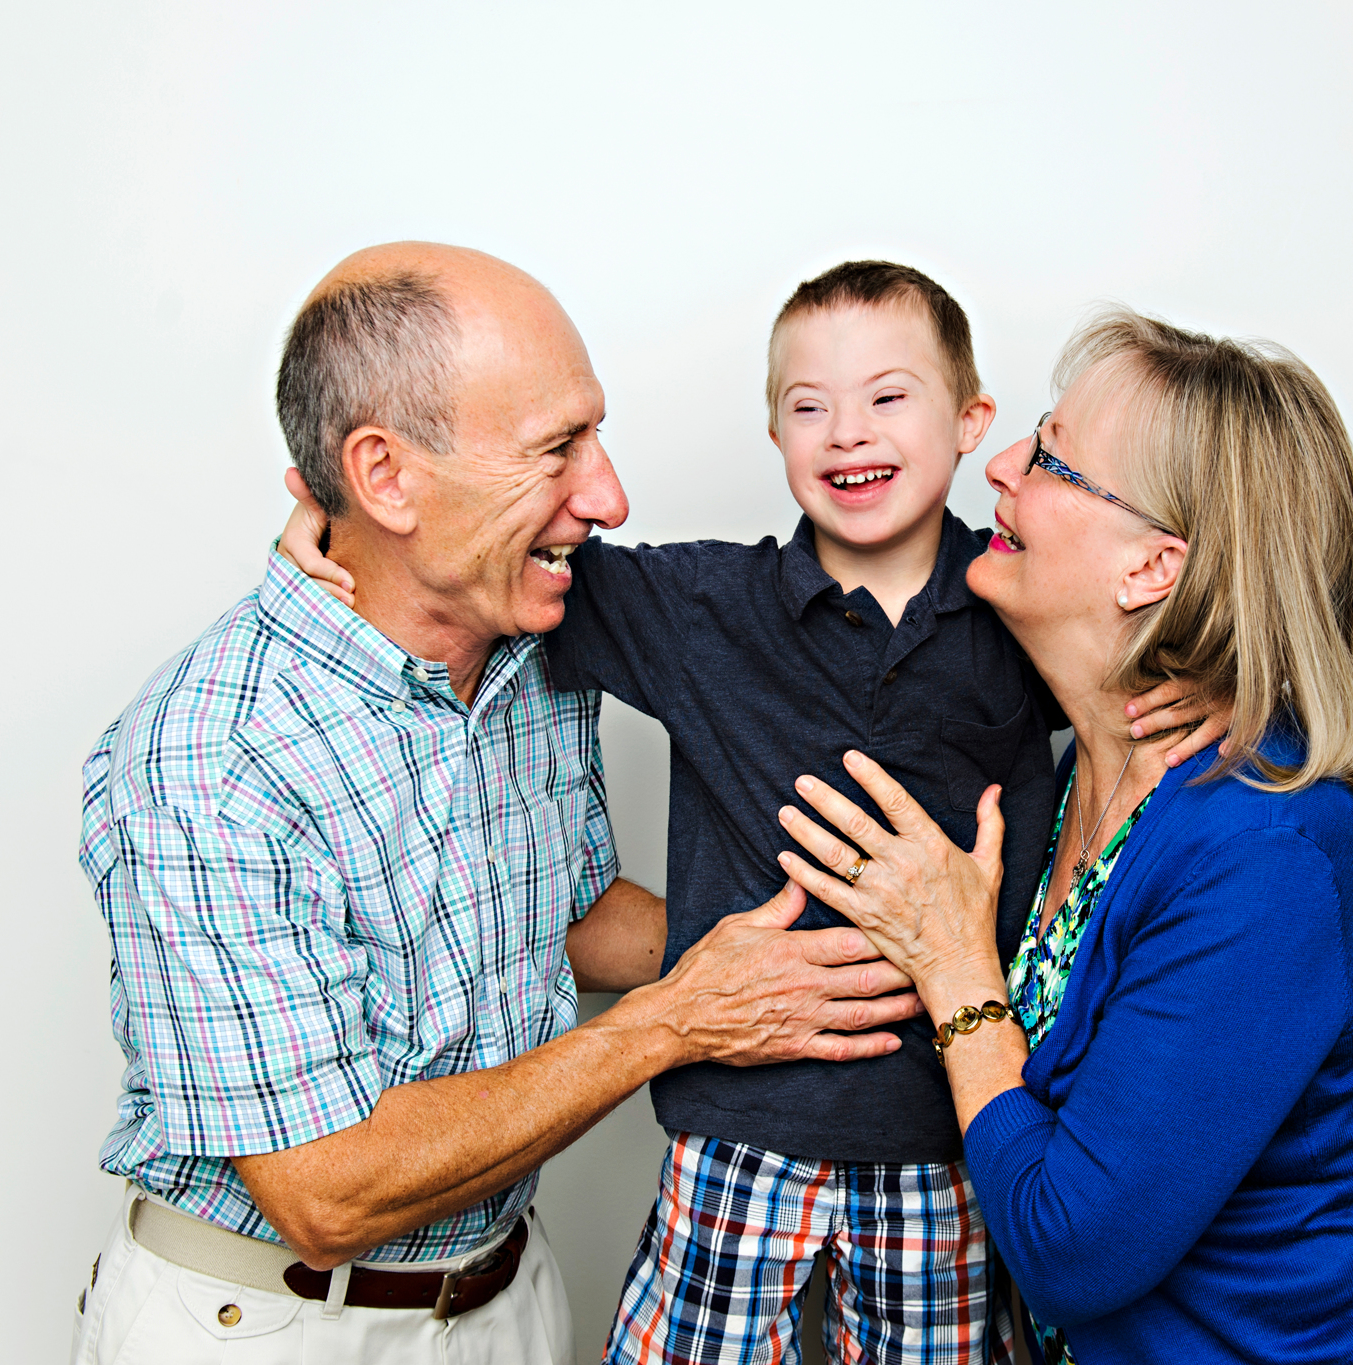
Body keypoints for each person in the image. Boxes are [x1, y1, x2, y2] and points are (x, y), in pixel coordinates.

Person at [277, 261, 1223, 1365]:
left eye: (887, 396)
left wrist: (1211, 682)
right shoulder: (694, 607)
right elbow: (461, 554)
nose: (845, 433)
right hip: (738, 1134)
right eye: (806, 406)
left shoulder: (1017, 602)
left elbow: (1140, 642)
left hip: (948, 1140)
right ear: (771, 431)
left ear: (971, 421)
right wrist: (326, 539)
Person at [72, 243, 934, 1365]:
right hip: (269, 1328)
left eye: (595, 435)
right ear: (384, 478)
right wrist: (679, 1019)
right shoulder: (205, 759)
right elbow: (324, 1189)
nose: (608, 496)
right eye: (554, 451)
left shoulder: (521, 644)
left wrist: (814, 963)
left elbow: (558, 909)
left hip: (507, 1301)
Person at [771, 310, 1353, 1363]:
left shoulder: (1262, 853)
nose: (998, 465)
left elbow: (1071, 1249)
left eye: (1048, 457)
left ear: (1150, 569)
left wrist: (956, 966)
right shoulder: (1079, 772)